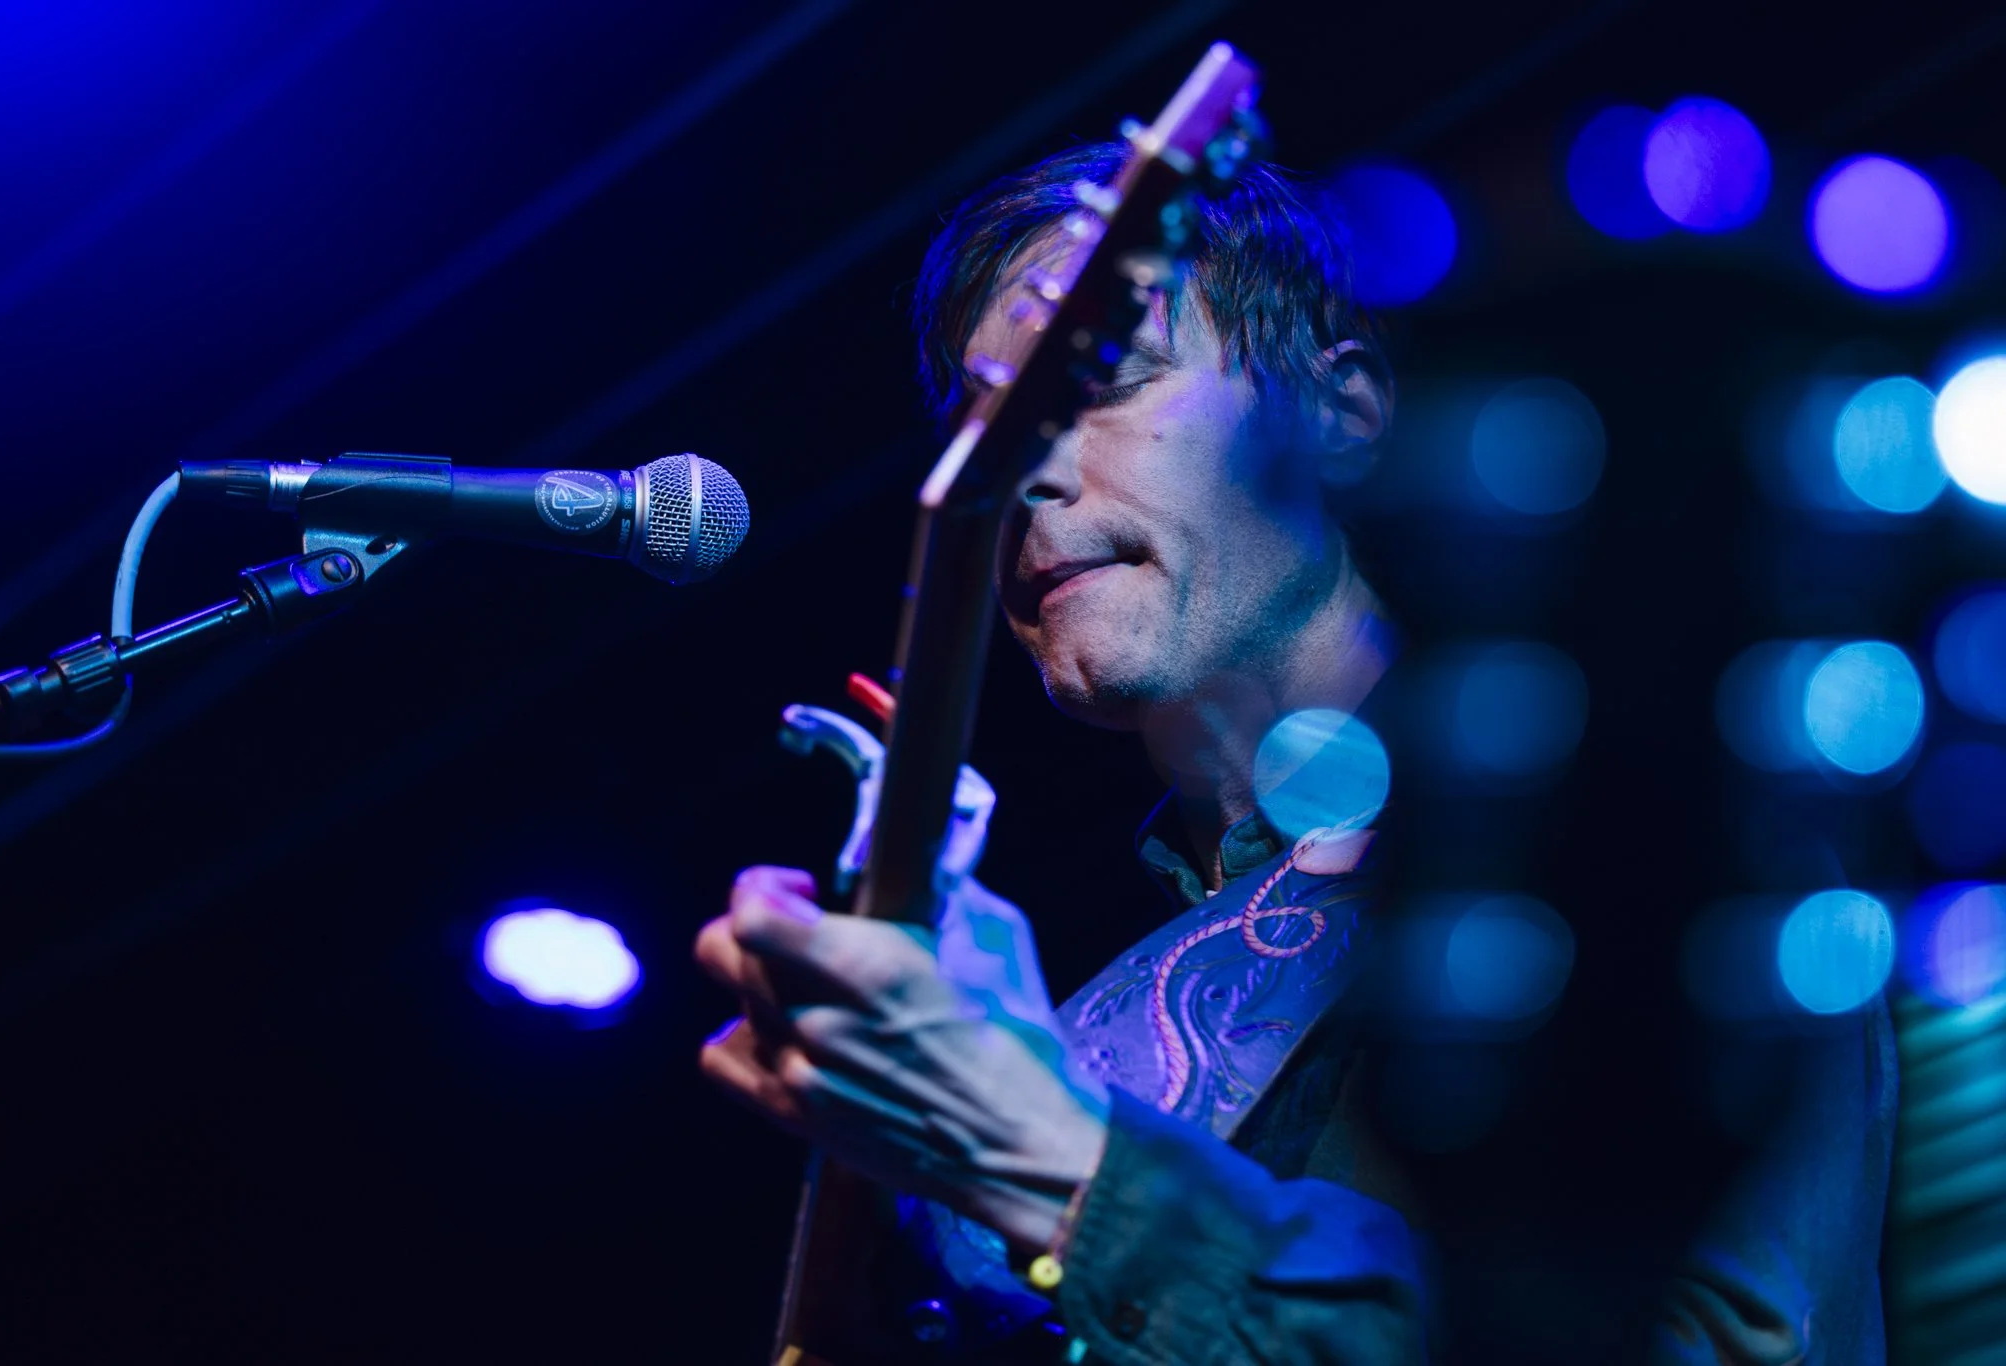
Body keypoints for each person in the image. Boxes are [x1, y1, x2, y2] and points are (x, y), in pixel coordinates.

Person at [694, 142, 1895, 1364]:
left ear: (1343, 415)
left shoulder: (1634, 832)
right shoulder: (1111, 994)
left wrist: (1047, 1148)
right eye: (985, 431)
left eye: (1102, 381)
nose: (1024, 474)